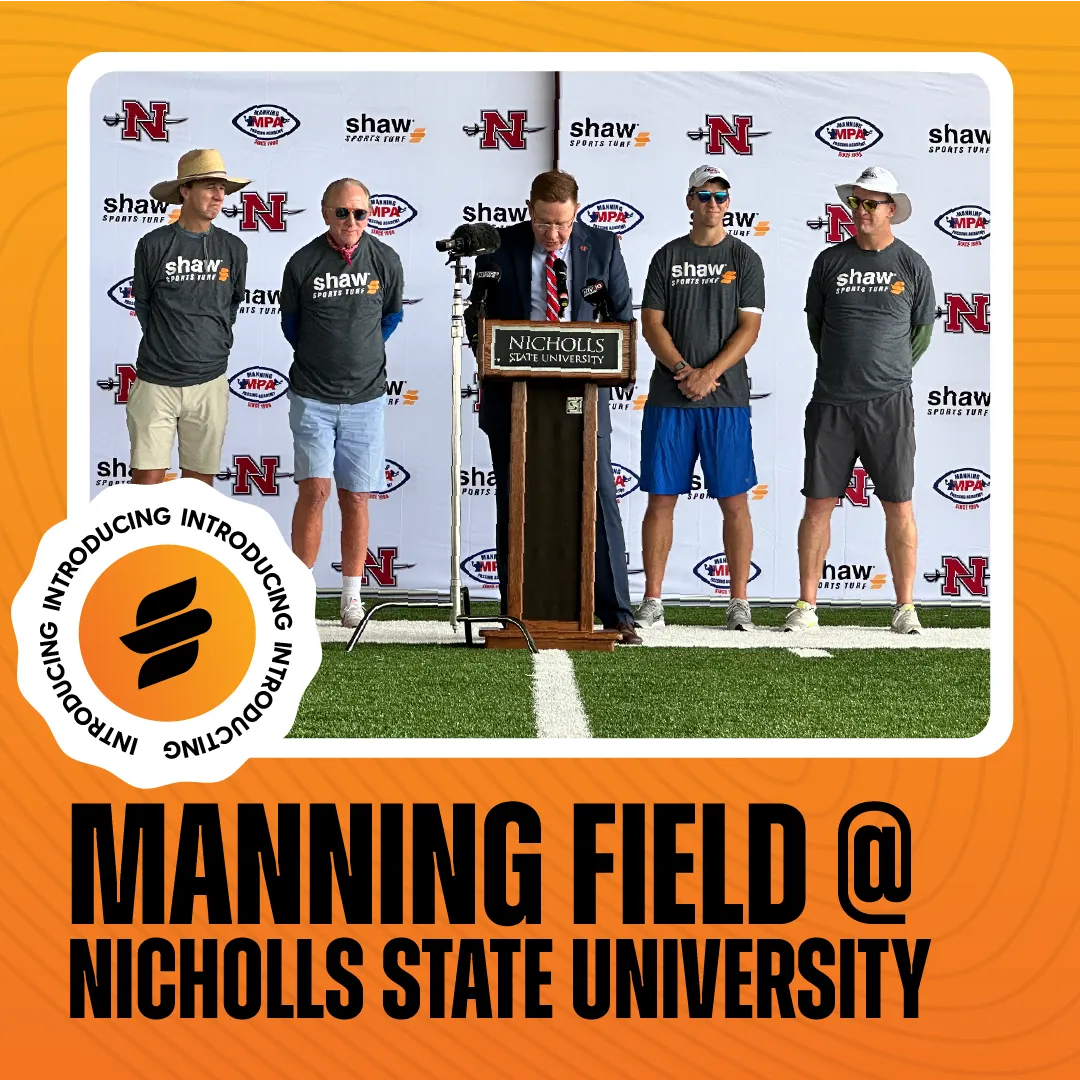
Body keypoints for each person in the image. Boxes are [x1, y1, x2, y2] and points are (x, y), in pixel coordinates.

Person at [469, 169, 640, 645]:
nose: (554, 234)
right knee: (515, 497)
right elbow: (476, 314)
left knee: (601, 495)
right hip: (512, 395)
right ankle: (516, 611)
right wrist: (486, 349)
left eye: (563, 224)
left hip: (582, 397)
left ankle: (618, 613)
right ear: (530, 210)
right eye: (545, 223)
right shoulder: (498, 247)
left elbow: (622, 320)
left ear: (576, 212)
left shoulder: (603, 248)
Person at [784, 165, 936, 635]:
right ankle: (806, 605)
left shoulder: (912, 264)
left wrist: (885, 372)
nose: (863, 211)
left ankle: (905, 606)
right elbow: (817, 331)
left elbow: (922, 335)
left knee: (900, 506)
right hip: (831, 402)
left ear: (891, 210)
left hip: (889, 404)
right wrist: (845, 368)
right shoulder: (828, 263)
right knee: (817, 505)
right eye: (857, 202)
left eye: (872, 203)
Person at [634, 165, 765, 632]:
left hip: (725, 400)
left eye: (720, 195)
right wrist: (682, 371)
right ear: (689, 201)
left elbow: (749, 328)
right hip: (671, 398)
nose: (712, 203)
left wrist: (709, 373)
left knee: (734, 501)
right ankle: (652, 600)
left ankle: (739, 603)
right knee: (661, 499)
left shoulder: (745, 258)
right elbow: (652, 324)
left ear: (729, 202)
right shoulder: (666, 257)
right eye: (704, 195)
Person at [280, 178, 404, 628]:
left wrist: (360, 355)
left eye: (360, 213)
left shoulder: (385, 259)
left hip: (366, 400)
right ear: (324, 212)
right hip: (312, 397)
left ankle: (352, 596)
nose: (351, 221)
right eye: (342, 213)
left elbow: (391, 317)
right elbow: (292, 327)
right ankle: (299, 594)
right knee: (313, 493)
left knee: (356, 497)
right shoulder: (302, 262)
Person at [129, 149, 250, 485]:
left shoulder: (234, 248)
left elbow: (232, 304)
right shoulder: (153, 244)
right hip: (156, 383)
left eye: (223, 188)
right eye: (210, 186)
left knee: (199, 494)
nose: (219, 196)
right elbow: (144, 305)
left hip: (210, 382)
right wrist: (170, 346)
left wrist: (212, 345)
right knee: (144, 491)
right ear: (185, 191)